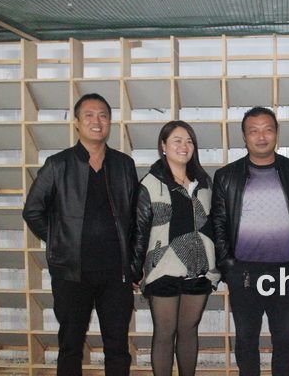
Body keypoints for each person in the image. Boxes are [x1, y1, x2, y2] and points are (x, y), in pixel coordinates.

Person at [23, 93, 138, 376]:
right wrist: (60, 241)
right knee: (70, 345)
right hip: (71, 273)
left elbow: (136, 218)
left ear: (110, 122)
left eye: (103, 115)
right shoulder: (58, 164)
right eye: (89, 115)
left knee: (118, 347)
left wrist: (135, 262)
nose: (97, 121)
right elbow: (32, 210)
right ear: (76, 122)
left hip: (116, 273)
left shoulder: (123, 164)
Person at [212, 106, 289, 376]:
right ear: (244, 137)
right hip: (243, 271)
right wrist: (228, 266)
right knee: (246, 340)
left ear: (276, 133)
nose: (261, 136)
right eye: (253, 131)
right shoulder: (227, 176)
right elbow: (218, 224)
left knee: (285, 340)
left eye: (267, 129)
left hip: (287, 270)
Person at [131, 120, 220, 376]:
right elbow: (139, 229)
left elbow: (213, 224)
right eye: (177, 141)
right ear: (163, 146)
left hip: (200, 269)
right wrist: (136, 268)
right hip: (162, 269)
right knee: (165, 333)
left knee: (189, 330)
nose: (184, 146)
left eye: (189, 141)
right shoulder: (150, 183)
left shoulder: (204, 183)